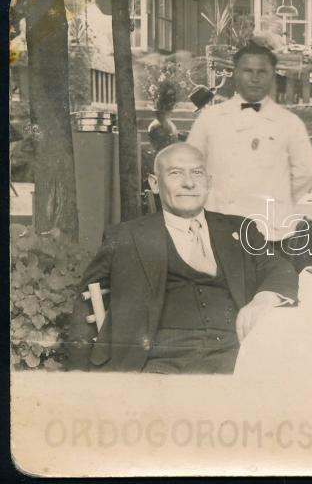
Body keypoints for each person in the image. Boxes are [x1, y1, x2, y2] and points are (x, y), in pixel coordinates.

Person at [66, 144, 299, 373]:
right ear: (154, 183)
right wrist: (79, 376)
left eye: (197, 173)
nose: (189, 183)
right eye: (176, 173)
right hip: (156, 365)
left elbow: (280, 269)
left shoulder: (239, 228)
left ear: (209, 182)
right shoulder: (126, 236)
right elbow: (85, 300)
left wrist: (263, 300)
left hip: (235, 359)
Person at [186, 41, 312, 252]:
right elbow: (190, 167)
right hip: (219, 229)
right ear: (236, 73)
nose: (255, 78)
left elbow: (308, 173)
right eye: (248, 71)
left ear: (273, 75)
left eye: (262, 72)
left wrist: (277, 201)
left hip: (269, 233)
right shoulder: (210, 118)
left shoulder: (288, 123)